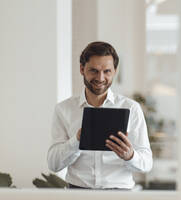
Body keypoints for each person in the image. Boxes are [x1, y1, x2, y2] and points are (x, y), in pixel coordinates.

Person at [47, 41, 152, 189]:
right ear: (82, 69)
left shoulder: (131, 108)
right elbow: (53, 164)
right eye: (94, 71)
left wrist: (130, 155)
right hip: (78, 192)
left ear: (115, 71)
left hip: (120, 193)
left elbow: (147, 163)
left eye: (107, 71)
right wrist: (77, 140)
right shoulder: (63, 109)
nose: (100, 78)